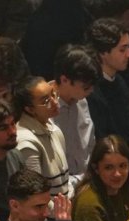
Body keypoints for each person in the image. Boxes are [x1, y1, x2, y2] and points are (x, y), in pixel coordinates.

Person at [73, 136, 129, 221]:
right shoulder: (88, 204)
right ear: (96, 168)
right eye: (109, 168)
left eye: (122, 166)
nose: (117, 174)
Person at [85, 18, 129, 148]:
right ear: (103, 53)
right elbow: (104, 139)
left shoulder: (118, 81)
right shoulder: (91, 92)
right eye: (123, 50)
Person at [52, 44, 100, 191]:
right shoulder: (45, 109)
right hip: (61, 189)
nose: (91, 91)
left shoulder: (82, 101)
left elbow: (90, 147)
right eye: (86, 87)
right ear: (65, 80)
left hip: (87, 180)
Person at [13, 76, 69, 200]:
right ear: (29, 109)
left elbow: (65, 184)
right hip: (47, 216)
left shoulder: (53, 128)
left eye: (53, 94)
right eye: (46, 101)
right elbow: (36, 194)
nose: (55, 102)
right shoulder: (26, 143)